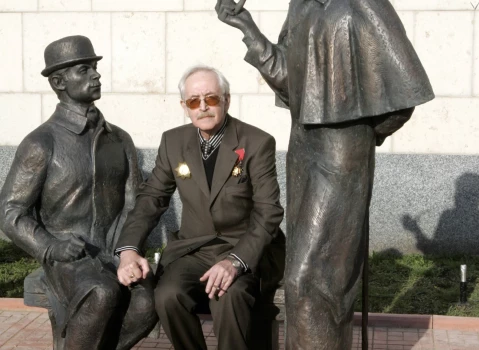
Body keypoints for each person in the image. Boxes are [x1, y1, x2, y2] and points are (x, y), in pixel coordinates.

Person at [215, 0, 435, 349]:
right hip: (303, 146)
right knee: (303, 280)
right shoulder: (300, 5)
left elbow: (404, 93)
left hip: (343, 153)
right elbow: (290, 81)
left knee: (311, 279)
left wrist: (361, 134)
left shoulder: (365, 4)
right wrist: (245, 25)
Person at [0, 35, 157, 350]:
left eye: (94, 68)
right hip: (66, 256)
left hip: (113, 251)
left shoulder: (120, 140)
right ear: (59, 81)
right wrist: (52, 247)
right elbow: (10, 212)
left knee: (148, 302)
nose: (96, 75)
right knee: (102, 293)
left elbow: (133, 204)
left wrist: (128, 250)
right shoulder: (42, 142)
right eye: (83, 70)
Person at [114, 65, 285, 350]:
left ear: (226, 100)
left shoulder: (257, 142)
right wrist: (129, 249)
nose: (203, 107)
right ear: (185, 106)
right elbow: (151, 199)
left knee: (228, 298)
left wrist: (234, 262)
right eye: (194, 101)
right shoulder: (173, 142)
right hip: (193, 250)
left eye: (211, 99)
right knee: (168, 296)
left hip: (242, 249)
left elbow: (269, 211)